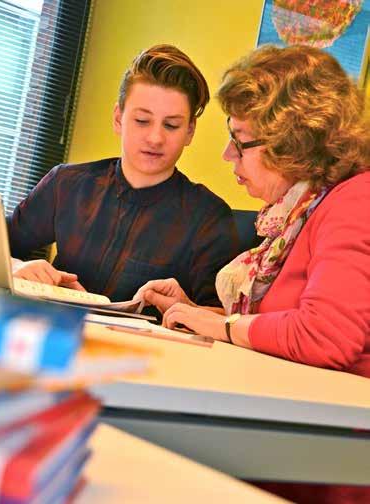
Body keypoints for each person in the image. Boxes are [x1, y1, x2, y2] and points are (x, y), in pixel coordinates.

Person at [135, 44, 370, 504]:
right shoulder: (301, 211)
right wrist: (194, 311)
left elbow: (326, 337)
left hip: (332, 463)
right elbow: (284, 325)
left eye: (239, 140)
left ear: (293, 142)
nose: (227, 154)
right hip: (295, 431)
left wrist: (220, 326)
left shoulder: (355, 203)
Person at [7, 44, 238, 304]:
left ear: (190, 131)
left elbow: (222, 321)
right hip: (58, 332)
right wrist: (15, 267)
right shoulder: (67, 184)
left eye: (171, 125)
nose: (155, 138)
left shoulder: (209, 218)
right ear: (118, 119)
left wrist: (187, 309)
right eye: (142, 121)